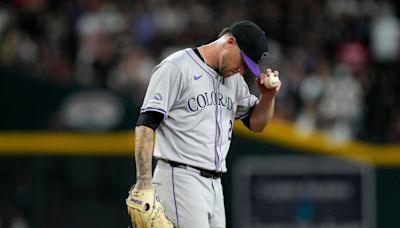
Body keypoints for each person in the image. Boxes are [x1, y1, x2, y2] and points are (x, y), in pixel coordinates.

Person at [127, 20, 281, 228]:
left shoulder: (234, 81)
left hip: (215, 186)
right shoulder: (177, 67)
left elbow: (256, 124)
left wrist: (268, 97)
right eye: (243, 62)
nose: (242, 70)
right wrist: (143, 183)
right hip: (180, 177)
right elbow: (146, 125)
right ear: (230, 42)